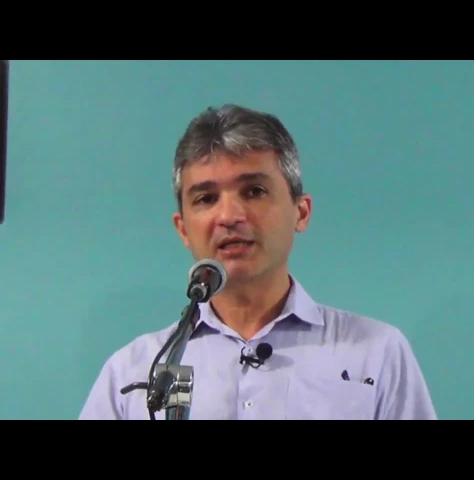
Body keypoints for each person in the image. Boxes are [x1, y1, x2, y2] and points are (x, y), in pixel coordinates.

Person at [78, 104, 437, 420]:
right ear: (183, 228)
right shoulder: (133, 372)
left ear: (301, 212)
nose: (229, 215)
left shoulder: (375, 353)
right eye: (206, 198)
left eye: (254, 191)